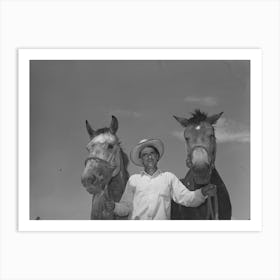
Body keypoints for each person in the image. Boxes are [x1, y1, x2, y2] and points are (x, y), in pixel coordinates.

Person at [105, 138, 216, 220]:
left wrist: (202, 192)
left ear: (157, 157)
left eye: (152, 153)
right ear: (141, 160)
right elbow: (126, 207)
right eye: (145, 155)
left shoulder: (169, 178)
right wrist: (114, 206)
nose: (149, 157)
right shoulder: (133, 180)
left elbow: (187, 198)